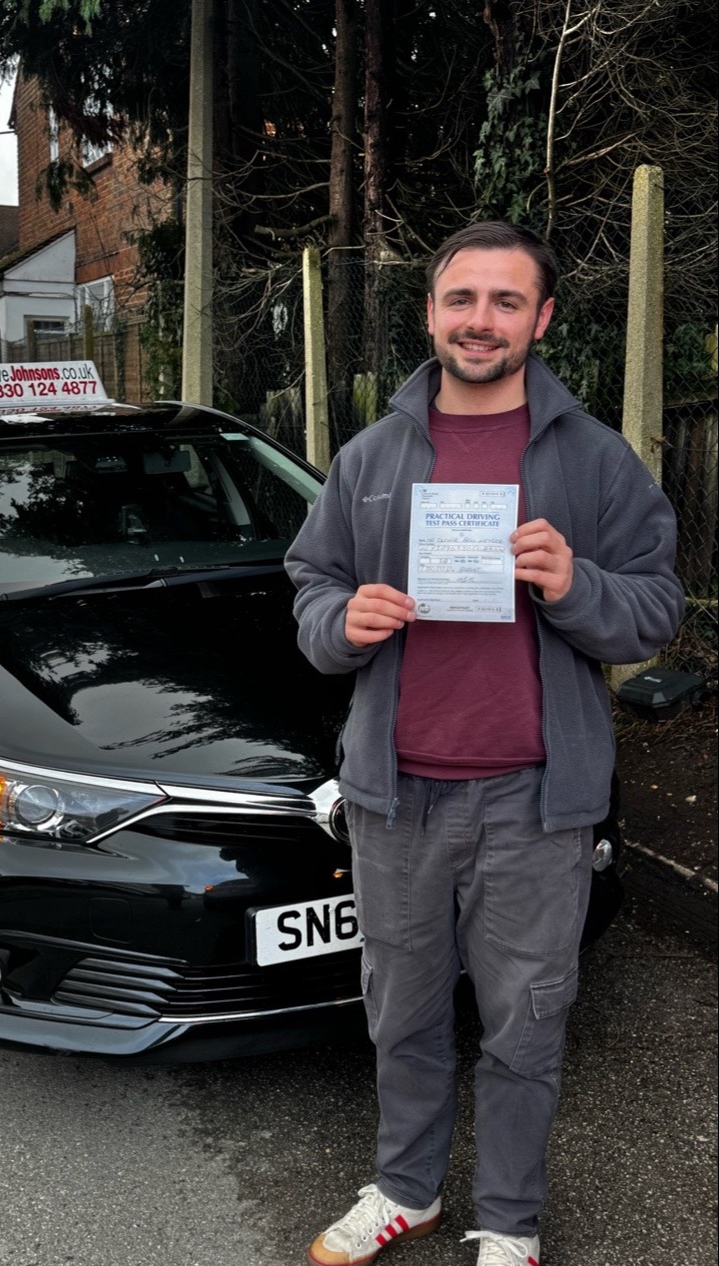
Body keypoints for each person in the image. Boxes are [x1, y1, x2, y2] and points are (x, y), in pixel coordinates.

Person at [285, 221, 683, 1266]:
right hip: (394, 798)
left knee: (523, 1028)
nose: (480, 320)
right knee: (401, 1016)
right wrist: (340, 623)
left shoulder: (595, 461)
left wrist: (572, 583)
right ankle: (406, 1190)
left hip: (533, 804)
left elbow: (651, 613)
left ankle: (506, 1222)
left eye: (507, 302)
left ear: (541, 319)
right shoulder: (369, 457)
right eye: (461, 299)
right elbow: (309, 588)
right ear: (429, 313)